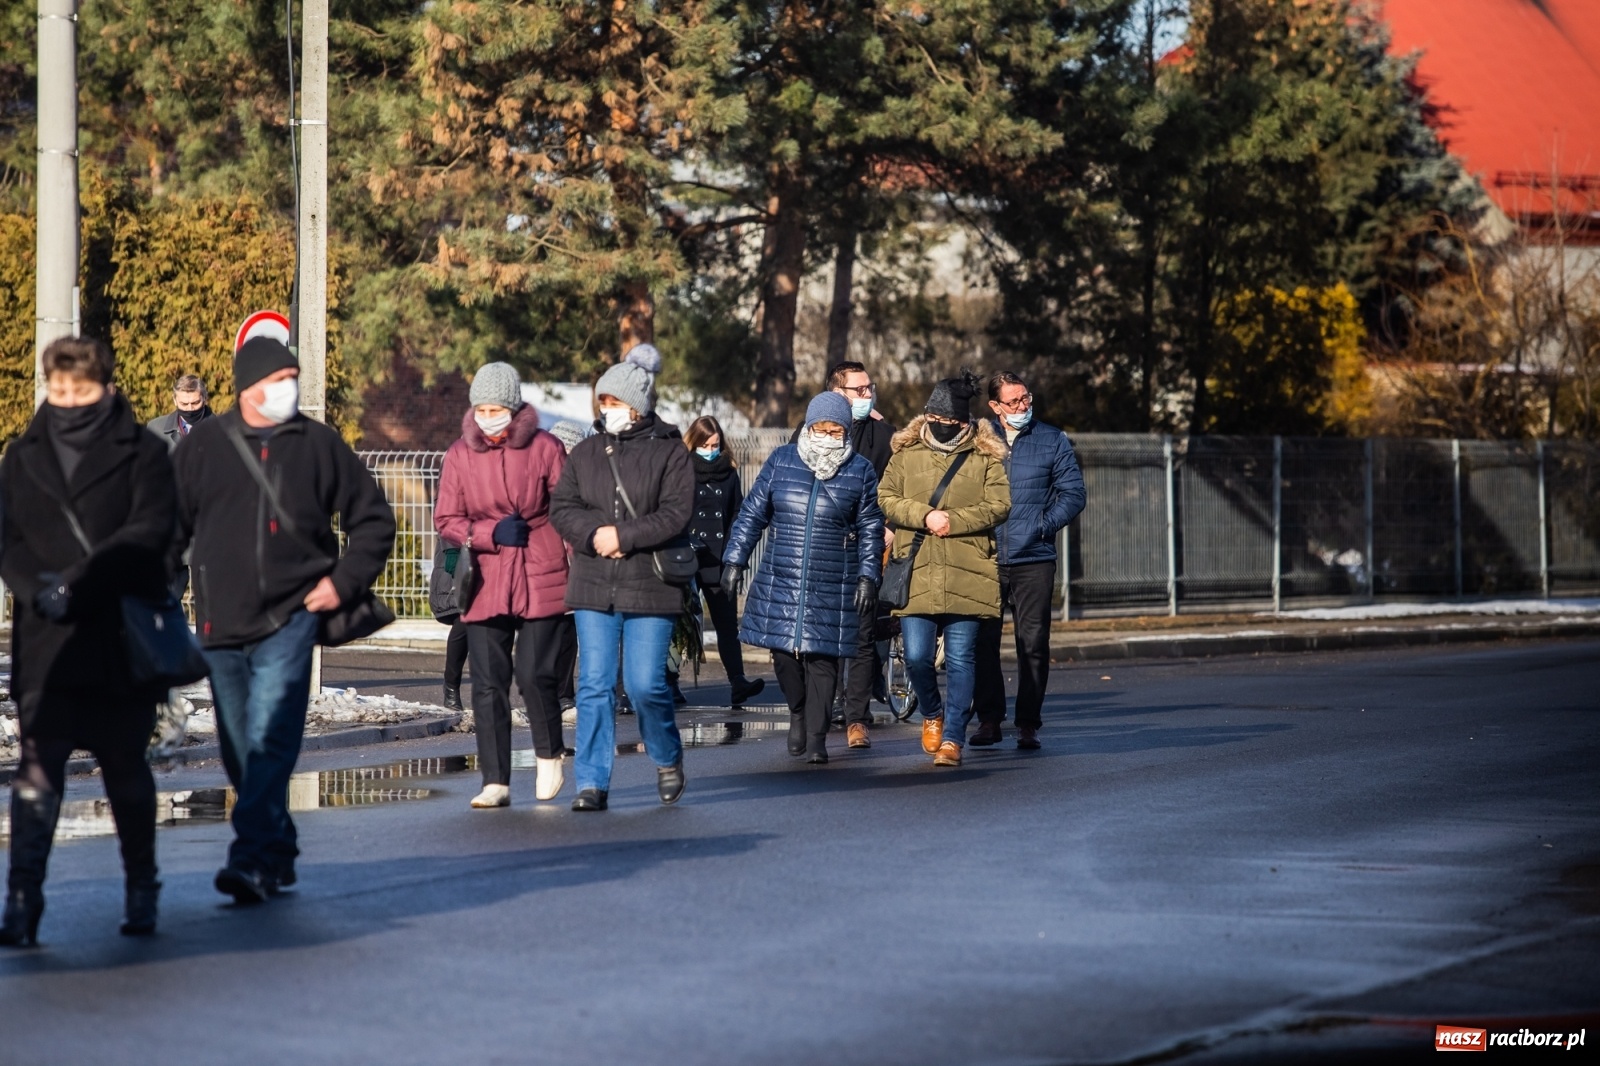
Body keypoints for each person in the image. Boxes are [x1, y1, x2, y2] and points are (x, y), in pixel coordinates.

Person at [174, 336, 395, 904]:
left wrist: (341, 583)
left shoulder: (319, 445)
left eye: (293, 376)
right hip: (220, 624)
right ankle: (279, 842)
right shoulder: (204, 448)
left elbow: (373, 520)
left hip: (292, 618)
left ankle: (249, 860)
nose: (289, 387)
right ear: (249, 387)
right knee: (237, 746)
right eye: (280, 377)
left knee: (271, 736)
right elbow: (164, 528)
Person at [1, 337, 176, 945]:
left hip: (116, 637)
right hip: (47, 641)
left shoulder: (144, 452)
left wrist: (79, 584)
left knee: (125, 767)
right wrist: (35, 589)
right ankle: (21, 902)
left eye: (80, 390)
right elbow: (8, 538)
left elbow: (151, 530)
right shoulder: (22, 455)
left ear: (106, 388)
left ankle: (141, 889)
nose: (68, 401)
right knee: (36, 774)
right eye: (58, 389)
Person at [550, 361, 693, 812]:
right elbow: (563, 507)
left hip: (649, 584)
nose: (607, 409)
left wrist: (623, 536)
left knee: (645, 684)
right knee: (593, 684)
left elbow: (675, 514)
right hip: (593, 582)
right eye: (603, 402)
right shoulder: (586, 452)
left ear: (638, 405)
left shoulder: (671, 453)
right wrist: (595, 535)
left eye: (616, 402)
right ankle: (591, 783)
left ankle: (667, 756)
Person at [434, 362, 572, 808]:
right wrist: (487, 534)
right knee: (489, 682)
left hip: (540, 571)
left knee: (534, 674)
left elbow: (569, 508)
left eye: (496, 408)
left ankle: (550, 752)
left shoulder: (547, 447)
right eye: (480, 408)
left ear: (513, 409)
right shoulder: (459, 453)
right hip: (487, 575)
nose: (487, 416)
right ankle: (494, 779)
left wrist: (579, 561)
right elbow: (446, 520)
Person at [723, 393, 883, 763]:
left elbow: (871, 527)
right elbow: (752, 514)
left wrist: (867, 576)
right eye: (821, 428)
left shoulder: (859, 470)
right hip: (784, 575)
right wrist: (735, 560)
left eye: (836, 430)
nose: (828, 436)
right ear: (809, 427)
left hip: (834, 579)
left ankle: (817, 737)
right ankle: (797, 710)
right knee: (783, 657)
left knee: (823, 661)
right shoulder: (782, 460)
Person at [877, 370, 1010, 768]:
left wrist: (955, 520)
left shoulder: (986, 455)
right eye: (941, 421)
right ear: (928, 416)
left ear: (966, 421)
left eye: (955, 423)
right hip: (917, 569)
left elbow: (999, 505)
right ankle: (931, 713)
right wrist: (924, 516)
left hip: (969, 569)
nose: (947, 428)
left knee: (961, 659)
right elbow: (886, 497)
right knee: (917, 657)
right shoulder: (906, 453)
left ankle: (953, 738)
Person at [972, 372, 1086, 750]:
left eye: (1026, 399)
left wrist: (1043, 525)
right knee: (982, 643)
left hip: (1034, 557)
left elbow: (1073, 494)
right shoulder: (977, 438)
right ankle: (989, 719)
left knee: (1033, 642)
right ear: (995, 406)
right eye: (1014, 402)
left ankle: (1028, 724)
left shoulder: (1051, 439)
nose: (1023, 406)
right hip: (985, 557)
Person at [683, 415, 765, 707]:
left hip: (719, 560)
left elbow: (736, 514)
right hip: (688, 559)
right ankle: (669, 683)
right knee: (681, 625)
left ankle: (737, 681)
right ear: (694, 443)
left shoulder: (728, 473)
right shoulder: (681, 470)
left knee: (726, 625)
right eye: (705, 444)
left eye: (715, 444)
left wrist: (734, 556)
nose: (711, 449)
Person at [427, 537, 469, 712]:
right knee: (465, 620)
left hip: (494, 557)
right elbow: (448, 516)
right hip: (460, 557)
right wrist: (452, 550)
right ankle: (451, 688)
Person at [145, 372, 212, 450]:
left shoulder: (224, 429)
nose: (190, 408)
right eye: (184, 404)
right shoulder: (155, 429)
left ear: (204, 399)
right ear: (175, 400)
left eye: (195, 403)